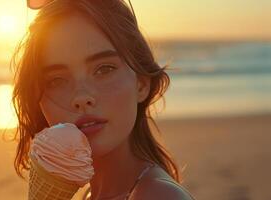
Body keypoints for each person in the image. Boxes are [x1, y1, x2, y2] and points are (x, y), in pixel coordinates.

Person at [10, 0, 196, 199]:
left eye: (104, 69)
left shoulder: (158, 195)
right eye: (56, 80)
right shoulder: (92, 195)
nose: (81, 97)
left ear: (141, 83)